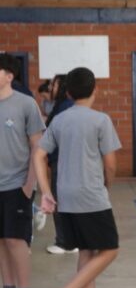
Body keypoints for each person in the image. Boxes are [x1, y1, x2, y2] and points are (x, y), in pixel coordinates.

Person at [33, 67, 122, 288]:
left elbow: (39, 155)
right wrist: (106, 186)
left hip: (67, 198)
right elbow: (111, 164)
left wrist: (46, 191)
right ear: (96, 90)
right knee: (110, 249)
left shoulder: (59, 120)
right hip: (91, 196)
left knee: (86, 251)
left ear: (69, 93)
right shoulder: (101, 120)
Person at [0, 53, 44, 288]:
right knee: (1, 240)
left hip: (16, 185)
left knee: (16, 240)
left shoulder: (26, 104)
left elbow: (38, 146)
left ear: (9, 76)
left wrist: (30, 184)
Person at [44, 74, 77, 255]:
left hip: (62, 160)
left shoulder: (65, 106)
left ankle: (64, 242)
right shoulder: (62, 105)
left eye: (54, 85)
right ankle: (70, 240)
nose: (50, 88)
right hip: (62, 159)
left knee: (59, 200)